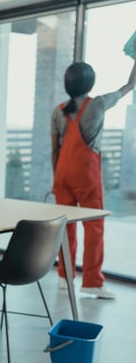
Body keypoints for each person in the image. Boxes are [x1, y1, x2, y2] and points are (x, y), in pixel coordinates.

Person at [51, 41, 136, 299]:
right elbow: (129, 86)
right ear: (89, 83)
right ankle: (92, 282)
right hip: (85, 172)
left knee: (65, 225)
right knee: (94, 226)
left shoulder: (59, 111)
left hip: (62, 173)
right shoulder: (98, 104)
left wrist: (57, 178)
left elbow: (54, 149)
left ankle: (65, 277)